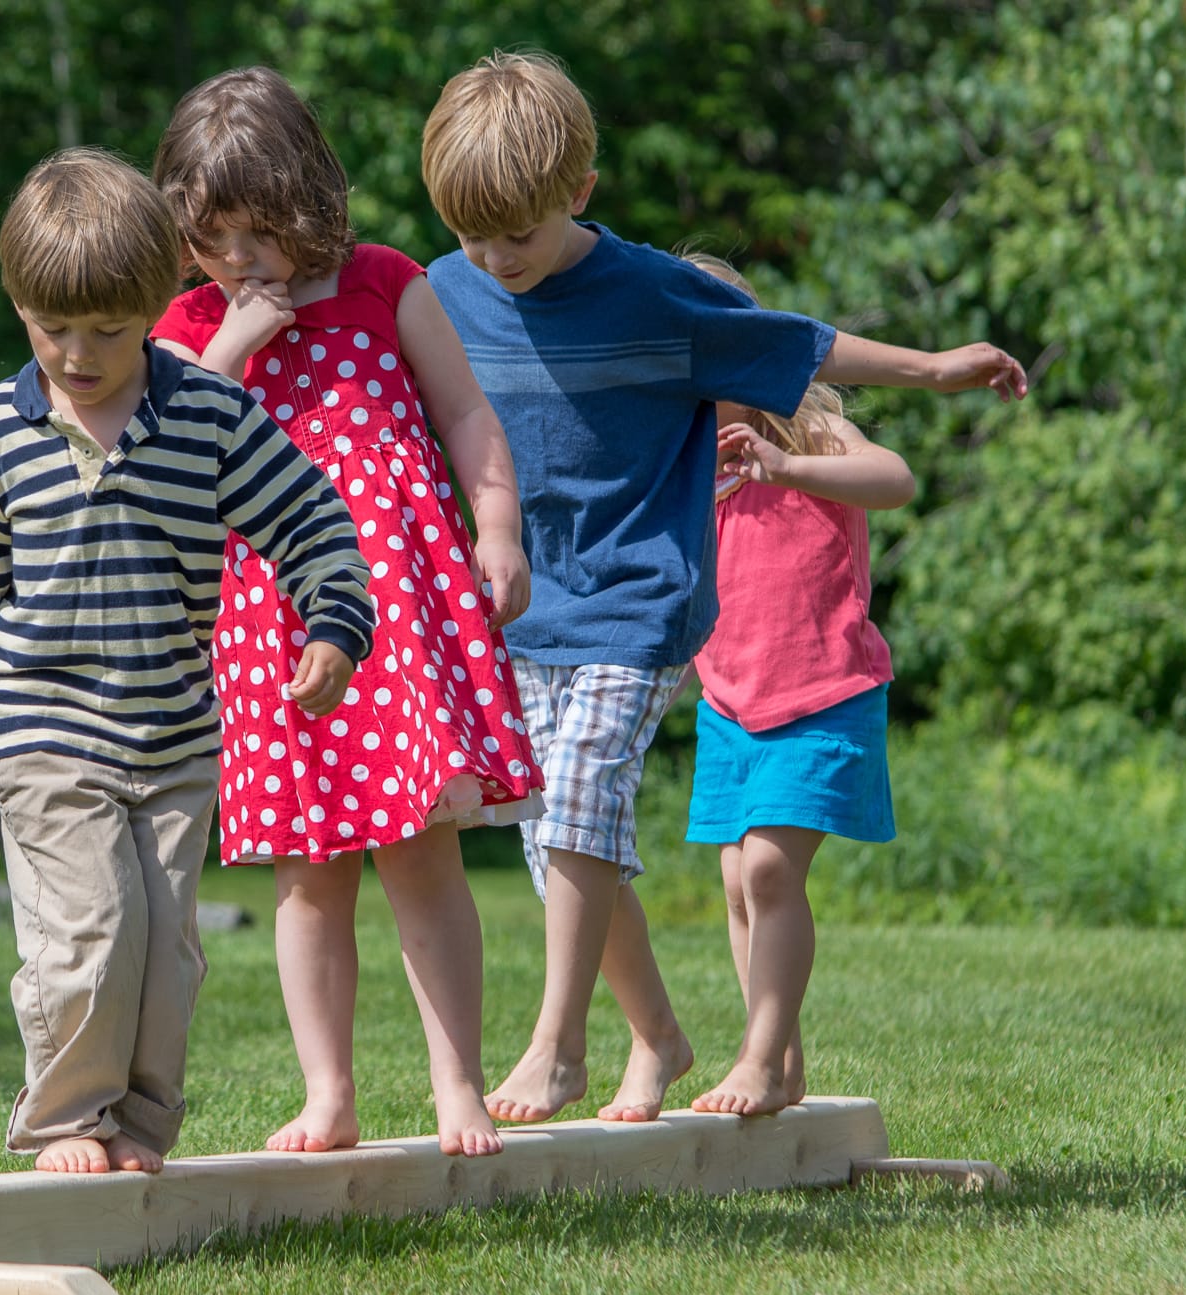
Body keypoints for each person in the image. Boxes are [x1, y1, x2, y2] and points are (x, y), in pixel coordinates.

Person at [418, 52, 1027, 1125]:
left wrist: (933, 369)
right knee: (556, 831)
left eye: (518, 231)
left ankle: (558, 1044)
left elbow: (805, 345)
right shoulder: (447, 291)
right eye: (475, 235)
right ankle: (659, 1034)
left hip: (639, 598)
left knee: (584, 797)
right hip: (522, 612)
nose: (496, 257)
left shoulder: (661, 294)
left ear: (579, 190)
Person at [0, 148, 375, 1175]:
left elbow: (314, 524)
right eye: (53, 330)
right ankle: (61, 1124)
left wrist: (333, 626)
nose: (79, 355)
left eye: (109, 331)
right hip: (42, 729)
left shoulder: (210, 418)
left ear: (159, 305)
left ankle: (135, 1127)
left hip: (173, 734)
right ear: (18, 306)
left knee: (166, 952)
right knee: (91, 932)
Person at [150, 67, 541, 1158]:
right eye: (214, 235)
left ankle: (458, 1084)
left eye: (260, 230)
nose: (239, 258)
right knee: (309, 876)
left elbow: (467, 415)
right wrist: (233, 343)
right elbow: (172, 462)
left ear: (308, 200)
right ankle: (329, 1093)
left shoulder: (385, 281)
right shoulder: (180, 332)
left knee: (423, 853)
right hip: (278, 626)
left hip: (399, 611)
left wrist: (498, 530)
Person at [682, 251, 912, 1116]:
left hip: (824, 694)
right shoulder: (689, 458)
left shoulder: (810, 431)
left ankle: (756, 1056)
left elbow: (895, 479)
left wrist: (787, 469)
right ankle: (781, 1065)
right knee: (741, 882)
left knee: (773, 870)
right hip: (731, 705)